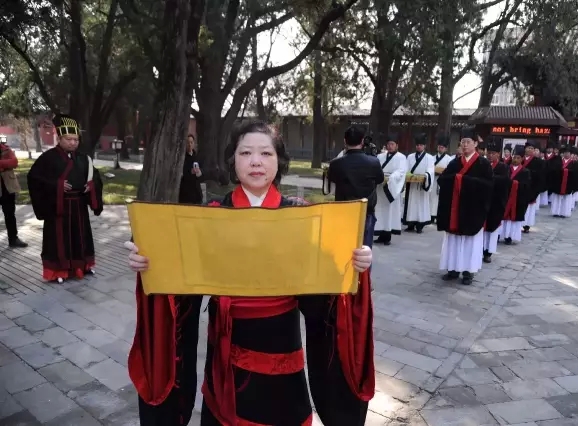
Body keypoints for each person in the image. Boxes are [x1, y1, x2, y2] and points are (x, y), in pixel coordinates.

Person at [126, 120, 375, 426]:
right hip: (226, 357)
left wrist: (356, 265)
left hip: (282, 347)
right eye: (246, 153)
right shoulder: (212, 214)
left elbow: (328, 288)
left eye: (265, 154)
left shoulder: (302, 215)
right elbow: (180, 281)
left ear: (279, 161)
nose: (256, 161)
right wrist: (150, 263)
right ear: (233, 160)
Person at [27, 114, 103, 283]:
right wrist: (57, 185)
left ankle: (84, 265)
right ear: (60, 138)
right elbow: (34, 178)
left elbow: (95, 178)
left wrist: (91, 186)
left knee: (81, 237)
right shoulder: (48, 158)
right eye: (69, 139)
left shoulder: (84, 159)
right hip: (58, 208)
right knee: (59, 240)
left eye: (76, 140)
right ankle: (59, 270)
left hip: (79, 206)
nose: (73, 143)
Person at [437, 126, 493, 285]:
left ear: (475, 144)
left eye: (468, 142)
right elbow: (443, 180)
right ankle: (452, 268)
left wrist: (464, 181)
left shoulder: (483, 164)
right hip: (455, 208)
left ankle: (468, 271)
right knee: (454, 240)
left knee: (470, 241)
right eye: (463, 142)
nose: (465, 145)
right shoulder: (455, 162)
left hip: (472, 209)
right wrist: (456, 180)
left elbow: (488, 186)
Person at [327, 125, 384, 247]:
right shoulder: (374, 162)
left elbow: (332, 180)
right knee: (364, 249)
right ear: (362, 141)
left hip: (343, 210)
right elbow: (380, 179)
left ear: (345, 141)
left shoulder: (336, 164)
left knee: (343, 247)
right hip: (366, 211)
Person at [373, 134, 407, 245]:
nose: (390, 146)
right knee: (380, 210)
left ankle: (388, 235)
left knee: (390, 211)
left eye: (392, 144)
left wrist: (391, 178)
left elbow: (401, 171)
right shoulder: (380, 156)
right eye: (388, 144)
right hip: (381, 187)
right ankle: (381, 233)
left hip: (392, 188)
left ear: (397, 145)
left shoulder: (401, 157)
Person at [483, 136, 510, 263]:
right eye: (488, 153)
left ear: (498, 154)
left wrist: (491, 178)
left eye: (493, 153)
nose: (490, 156)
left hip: (496, 201)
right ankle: (480, 249)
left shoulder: (503, 167)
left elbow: (505, 182)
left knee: (492, 227)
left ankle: (488, 252)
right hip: (483, 201)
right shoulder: (482, 164)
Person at [402, 133, 435, 233]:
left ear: (424, 146)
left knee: (421, 204)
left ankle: (420, 225)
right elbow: (406, 169)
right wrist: (408, 175)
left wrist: (425, 176)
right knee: (411, 204)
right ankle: (410, 224)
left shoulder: (429, 158)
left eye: (421, 145)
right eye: (417, 145)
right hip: (411, 184)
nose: (419, 146)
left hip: (422, 184)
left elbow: (431, 170)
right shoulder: (410, 157)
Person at [502, 145, 532, 245]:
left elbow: (526, 186)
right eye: (514, 157)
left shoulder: (525, 171)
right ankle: (503, 235)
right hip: (506, 196)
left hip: (517, 198)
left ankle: (511, 236)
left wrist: (515, 184)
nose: (515, 159)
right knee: (504, 217)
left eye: (518, 158)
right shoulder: (506, 168)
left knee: (514, 219)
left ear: (522, 159)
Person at [0, 139, 28, 248]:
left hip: (8, 187)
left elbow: (14, 162)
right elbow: (9, 163)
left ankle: (13, 239)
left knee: (10, 214)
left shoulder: (6, 149)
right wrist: (5, 165)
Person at [548, 145, 578, 218]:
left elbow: (575, 174)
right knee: (556, 198)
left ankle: (564, 213)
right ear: (563, 154)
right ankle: (555, 212)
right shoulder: (558, 161)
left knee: (566, 199)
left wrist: (567, 171)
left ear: (570, 154)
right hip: (558, 183)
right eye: (565, 153)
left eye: (568, 153)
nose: (566, 154)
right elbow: (554, 171)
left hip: (568, 183)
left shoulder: (574, 163)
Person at [521, 140, 544, 234]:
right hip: (520, 188)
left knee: (529, 209)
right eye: (528, 148)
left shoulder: (538, 162)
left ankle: (526, 225)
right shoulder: (520, 159)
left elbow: (540, 178)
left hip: (532, 188)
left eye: (532, 148)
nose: (530, 150)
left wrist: (536, 191)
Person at [429, 134, 453, 224]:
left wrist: (442, 172)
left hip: (442, 181)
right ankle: (431, 216)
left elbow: (450, 170)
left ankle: (438, 216)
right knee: (431, 199)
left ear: (446, 149)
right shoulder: (432, 158)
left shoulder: (449, 159)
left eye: (442, 147)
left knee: (440, 200)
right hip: (433, 180)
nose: (440, 149)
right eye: (439, 147)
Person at [179, 134, 204, 204]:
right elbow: (182, 173)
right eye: (187, 142)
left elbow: (202, 172)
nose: (189, 145)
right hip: (186, 193)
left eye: (191, 142)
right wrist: (190, 172)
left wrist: (199, 172)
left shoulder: (196, 156)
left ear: (194, 144)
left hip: (197, 192)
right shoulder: (182, 158)